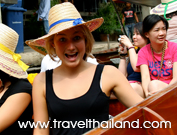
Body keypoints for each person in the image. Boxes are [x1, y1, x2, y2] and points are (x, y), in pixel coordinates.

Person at [25, 3, 143, 134]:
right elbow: (41, 130)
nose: (70, 47)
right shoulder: (41, 81)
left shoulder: (108, 74)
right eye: (62, 39)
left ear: (85, 39)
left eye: (76, 38)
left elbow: (148, 111)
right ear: (53, 43)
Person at [137, 14, 177, 97]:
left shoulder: (174, 48)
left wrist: (163, 93)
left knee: (154, 85)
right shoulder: (143, 52)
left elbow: (176, 79)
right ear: (147, 34)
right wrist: (147, 94)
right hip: (153, 91)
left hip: (172, 88)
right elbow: (145, 77)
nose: (161, 33)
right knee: (133, 88)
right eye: (157, 30)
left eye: (163, 29)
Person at [117, 23, 147, 98]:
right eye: (133, 34)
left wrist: (130, 46)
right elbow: (122, 76)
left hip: (139, 87)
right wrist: (123, 56)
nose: (134, 37)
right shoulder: (134, 52)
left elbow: (136, 68)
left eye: (138, 34)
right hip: (128, 85)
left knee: (131, 87)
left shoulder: (149, 52)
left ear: (146, 36)